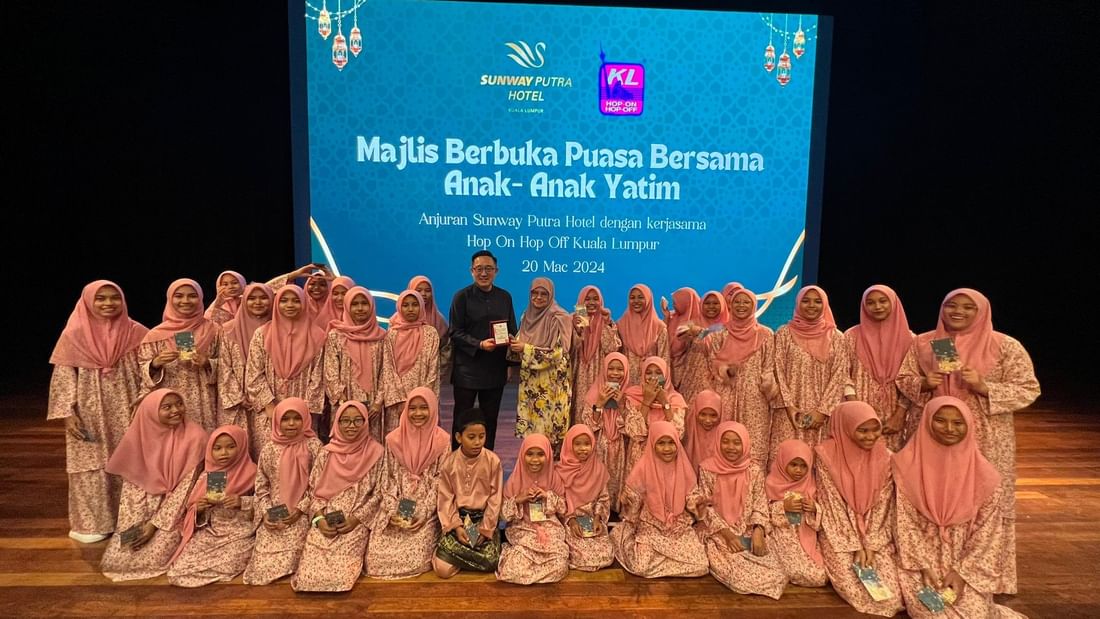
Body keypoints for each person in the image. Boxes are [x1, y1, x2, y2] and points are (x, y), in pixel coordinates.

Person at [898, 288, 1039, 594]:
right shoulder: (925, 343)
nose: (957, 312)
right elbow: (903, 379)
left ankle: (980, 570)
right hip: (934, 433)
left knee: (983, 495)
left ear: (982, 312)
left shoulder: (1004, 346)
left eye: (967, 308)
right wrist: (923, 383)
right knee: (935, 493)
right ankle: (934, 562)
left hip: (985, 435)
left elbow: (1029, 388)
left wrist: (985, 386)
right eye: (951, 305)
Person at [893, 397, 1026, 618]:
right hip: (918, 563)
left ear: (969, 425)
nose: (949, 429)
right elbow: (903, 523)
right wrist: (925, 566)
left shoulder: (986, 476)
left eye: (958, 423)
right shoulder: (905, 467)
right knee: (932, 613)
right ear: (926, 421)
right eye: (940, 421)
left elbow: (987, 533)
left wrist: (962, 573)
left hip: (966, 564)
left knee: (975, 613)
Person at [48, 280, 148, 543]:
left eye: (114, 298)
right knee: (90, 466)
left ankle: (127, 517)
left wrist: (145, 400)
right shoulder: (74, 335)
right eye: (100, 298)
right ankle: (92, 523)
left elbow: (148, 368)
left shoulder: (135, 332)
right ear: (88, 301)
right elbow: (63, 376)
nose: (107, 303)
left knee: (129, 461)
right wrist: (68, 413)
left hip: (126, 408)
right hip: (89, 410)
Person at [100, 389, 206, 581]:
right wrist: (137, 522)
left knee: (154, 558)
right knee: (118, 558)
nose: (176, 410)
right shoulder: (139, 436)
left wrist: (154, 525)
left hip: (173, 511)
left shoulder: (196, 437)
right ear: (150, 411)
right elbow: (132, 490)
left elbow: (186, 489)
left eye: (179, 404)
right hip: (144, 505)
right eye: (166, 407)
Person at [814, 402, 903, 616]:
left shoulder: (887, 457)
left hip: (875, 531)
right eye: (862, 430)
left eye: (876, 429)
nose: (870, 436)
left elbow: (883, 504)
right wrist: (854, 545)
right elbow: (831, 503)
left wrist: (870, 545)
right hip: (840, 532)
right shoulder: (826, 455)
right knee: (853, 584)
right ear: (845, 427)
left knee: (892, 594)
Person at [292, 401, 385, 592]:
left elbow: (378, 494)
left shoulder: (377, 453)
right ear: (337, 423)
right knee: (308, 578)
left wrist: (356, 520)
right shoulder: (326, 453)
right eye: (345, 421)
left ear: (366, 422)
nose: (351, 426)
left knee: (340, 577)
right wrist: (319, 520)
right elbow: (313, 491)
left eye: (358, 420)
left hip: (355, 519)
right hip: (326, 517)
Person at [689, 421, 787, 599]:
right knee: (738, 574)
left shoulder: (754, 471)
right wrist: (727, 534)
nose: (731, 447)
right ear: (718, 442)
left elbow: (760, 504)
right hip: (718, 532)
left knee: (778, 572)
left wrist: (759, 531)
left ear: (745, 443)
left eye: (737, 442)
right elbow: (705, 506)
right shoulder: (707, 469)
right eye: (725, 441)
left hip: (747, 529)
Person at [367, 388, 450, 579]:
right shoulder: (393, 439)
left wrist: (422, 512)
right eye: (412, 408)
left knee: (415, 555)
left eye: (424, 408)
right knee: (375, 557)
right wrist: (393, 510)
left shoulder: (442, 441)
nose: (418, 413)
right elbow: (386, 478)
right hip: (397, 504)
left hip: (426, 506)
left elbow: (441, 481)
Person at [612, 420, 708, 578]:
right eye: (661, 443)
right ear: (652, 444)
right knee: (640, 567)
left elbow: (692, 496)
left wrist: (699, 503)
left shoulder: (683, 466)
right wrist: (628, 502)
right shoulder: (643, 467)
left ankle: (663, 557)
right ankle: (666, 556)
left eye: (671, 443)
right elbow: (633, 499)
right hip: (651, 526)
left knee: (701, 565)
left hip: (678, 526)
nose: (667, 448)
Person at [242, 398, 323, 585]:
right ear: (277, 420)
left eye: (297, 418)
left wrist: (300, 509)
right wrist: (266, 513)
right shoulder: (269, 449)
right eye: (286, 419)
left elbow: (318, 485)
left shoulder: (313, 446)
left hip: (302, 513)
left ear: (306, 419)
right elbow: (261, 487)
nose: (292, 424)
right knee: (260, 566)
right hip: (275, 512)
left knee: (292, 555)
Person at [167, 425, 258, 587]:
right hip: (211, 531)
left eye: (231, 447)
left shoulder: (252, 472)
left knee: (229, 563)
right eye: (217, 448)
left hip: (241, 532)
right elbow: (192, 508)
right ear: (210, 450)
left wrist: (242, 502)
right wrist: (198, 508)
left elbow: (267, 501)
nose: (224, 453)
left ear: (242, 445)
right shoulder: (208, 475)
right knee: (179, 568)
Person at [448, 250, 517, 450]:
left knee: (490, 419)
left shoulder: (505, 297)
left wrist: (511, 362)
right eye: (479, 269)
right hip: (467, 370)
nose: (484, 273)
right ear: (472, 271)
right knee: (462, 418)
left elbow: (511, 329)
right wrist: (479, 344)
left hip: (495, 369)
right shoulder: (461, 297)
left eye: (488, 269)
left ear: (496, 271)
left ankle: (487, 463)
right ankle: (457, 462)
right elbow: (455, 332)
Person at [770, 285, 849, 459]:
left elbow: (839, 375)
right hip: (788, 412)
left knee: (819, 461)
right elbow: (777, 371)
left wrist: (822, 411)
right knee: (786, 459)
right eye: (805, 301)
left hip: (823, 416)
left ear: (825, 304)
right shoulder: (784, 334)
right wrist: (790, 407)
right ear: (798, 304)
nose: (811, 305)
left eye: (817, 301)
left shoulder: (836, 337)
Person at [706, 287, 777, 468]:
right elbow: (713, 363)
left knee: (754, 445)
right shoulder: (720, 333)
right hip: (726, 394)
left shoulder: (766, 334)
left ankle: (752, 491)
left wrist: (767, 387)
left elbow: (769, 366)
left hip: (755, 399)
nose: (741, 305)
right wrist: (725, 371)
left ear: (753, 305)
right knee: (726, 441)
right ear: (730, 305)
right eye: (737, 302)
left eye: (746, 302)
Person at [138, 279, 221, 431]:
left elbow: (229, 365)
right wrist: (155, 363)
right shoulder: (155, 335)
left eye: (192, 296)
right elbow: (140, 371)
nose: (185, 301)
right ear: (170, 298)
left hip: (205, 401)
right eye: (179, 296)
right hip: (170, 404)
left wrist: (208, 363)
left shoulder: (214, 331)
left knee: (203, 442)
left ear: (201, 298)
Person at [432, 408, 504, 578]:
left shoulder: (493, 461)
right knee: (442, 570)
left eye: (482, 436)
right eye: (471, 437)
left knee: (491, 560)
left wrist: (485, 530)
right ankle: (462, 558)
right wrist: (456, 527)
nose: (478, 442)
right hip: (459, 520)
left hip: (483, 521)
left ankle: (461, 559)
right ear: (459, 437)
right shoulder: (449, 463)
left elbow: (495, 500)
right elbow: (445, 499)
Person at [245, 285, 326, 435]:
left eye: (296, 301)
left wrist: (302, 411)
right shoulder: (262, 334)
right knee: (271, 453)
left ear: (304, 303)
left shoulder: (318, 336)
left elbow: (318, 377)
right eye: (284, 300)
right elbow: (254, 372)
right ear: (276, 303)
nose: (289, 305)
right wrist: (269, 406)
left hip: (303, 412)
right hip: (269, 411)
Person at [843, 285, 914, 451]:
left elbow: (913, 378)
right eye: (871, 302)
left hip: (895, 412)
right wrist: (856, 410)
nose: (877, 307)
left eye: (883, 301)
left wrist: (900, 414)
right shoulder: (851, 336)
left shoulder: (913, 339)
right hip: (859, 405)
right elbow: (843, 373)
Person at [495, 434, 570, 584]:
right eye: (530, 454)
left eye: (540, 454)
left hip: (549, 527)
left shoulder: (554, 477)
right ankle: (532, 569)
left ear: (548, 455)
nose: (535, 460)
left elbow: (563, 508)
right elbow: (502, 515)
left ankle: (532, 573)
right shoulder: (514, 480)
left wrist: (547, 496)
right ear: (522, 454)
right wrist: (518, 499)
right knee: (511, 570)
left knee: (560, 566)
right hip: (523, 528)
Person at [511, 277, 572, 450]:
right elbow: (521, 341)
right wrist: (513, 344)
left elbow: (557, 354)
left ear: (551, 295)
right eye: (534, 293)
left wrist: (526, 348)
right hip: (531, 383)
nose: (538, 297)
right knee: (533, 437)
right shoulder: (526, 315)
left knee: (551, 434)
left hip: (552, 385)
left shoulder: (560, 317)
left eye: (543, 294)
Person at [216, 283, 274, 459]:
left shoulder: (277, 329)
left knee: (266, 450)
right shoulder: (228, 330)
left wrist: (263, 399)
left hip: (268, 402)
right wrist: (240, 397)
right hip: (238, 405)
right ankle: (240, 486)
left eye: (263, 298)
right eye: (252, 298)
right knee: (237, 451)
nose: (258, 302)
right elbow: (224, 367)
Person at [324, 286, 387, 441]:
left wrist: (378, 402)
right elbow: (330, 371)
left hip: (374, 407)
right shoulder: (336, 336)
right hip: (344, 403)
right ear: (347, 306)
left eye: (364, 303)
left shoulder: (382, 336)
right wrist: (342, 401)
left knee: (372, 447)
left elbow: (387, 370)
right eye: (354, 304)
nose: (360, 308)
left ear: (372, 306)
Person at [765, 439, 827, 588]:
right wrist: (782, 506)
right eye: (793, 465)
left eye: (803, 466)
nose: (798, 470)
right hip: (782, 535)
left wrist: (814, 508)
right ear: (783, 462)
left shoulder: (811, 484)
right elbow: (762, 512)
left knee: (821, 573)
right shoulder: (771, 483)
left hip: (805, 535)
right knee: (797, 569)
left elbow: (820, 516)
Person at [381, 290, 441, 438]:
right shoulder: (391, 334)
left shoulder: (430, 333)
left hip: (423, 400)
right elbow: (388, 369)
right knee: (397, 439)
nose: (410, 309)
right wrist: (400, 400)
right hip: (397, 403)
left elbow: (433, 369)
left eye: (414, 305)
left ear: (421, 306)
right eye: (406, 305)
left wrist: (423, 398)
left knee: (423, 438)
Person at [557, 425, 614, 571]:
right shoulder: (560, 471)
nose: (583, 449)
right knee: (579, 554)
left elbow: (603, 498)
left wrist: (597, 518)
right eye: (577, 444)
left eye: (587, 444)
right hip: (571, 521)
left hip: (592, 520)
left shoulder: (598, 469)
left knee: (605, 554)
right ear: (569, 445)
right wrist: (571, 520)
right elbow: (559, 501)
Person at [578, 352, 629, 512]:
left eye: (620, 369)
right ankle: (600, 512)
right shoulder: (593, 393)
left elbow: (633, 427)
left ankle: (616, 509)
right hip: (599, 446)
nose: (615, 373)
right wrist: (599, 404)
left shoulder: (631, 394)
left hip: (622, 448)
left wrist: (621, 404)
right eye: (611, 368)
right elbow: (587, 426)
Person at [569, 285, 621, 426]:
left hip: (599, 374)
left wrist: (606, 324)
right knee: (577, 408)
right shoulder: (571, 320)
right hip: (577, 373)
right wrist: (576, 330)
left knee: (598, 406)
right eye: (587, 299)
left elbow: (612, 349)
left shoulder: (607, 321)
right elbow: (570, 349)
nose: (591, 303)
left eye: (595, 299)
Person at [617, 284, 670, 386]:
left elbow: (664, 360)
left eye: (641, 297)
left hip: (652, 383)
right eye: (632, 298)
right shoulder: (620, 325)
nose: (636, 301)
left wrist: (661, 387)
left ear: (648, 299)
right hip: (626, 383)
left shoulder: (659, 327)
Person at [666, 287, 711, 402]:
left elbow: (678, 346)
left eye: (676, 303)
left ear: (685, 303)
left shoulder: (701, 322)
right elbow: (663, 341)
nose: (674, 306)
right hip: (670, 370)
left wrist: (694, 332)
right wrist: (666, 319)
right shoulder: (673, 318)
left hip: (691, 374)